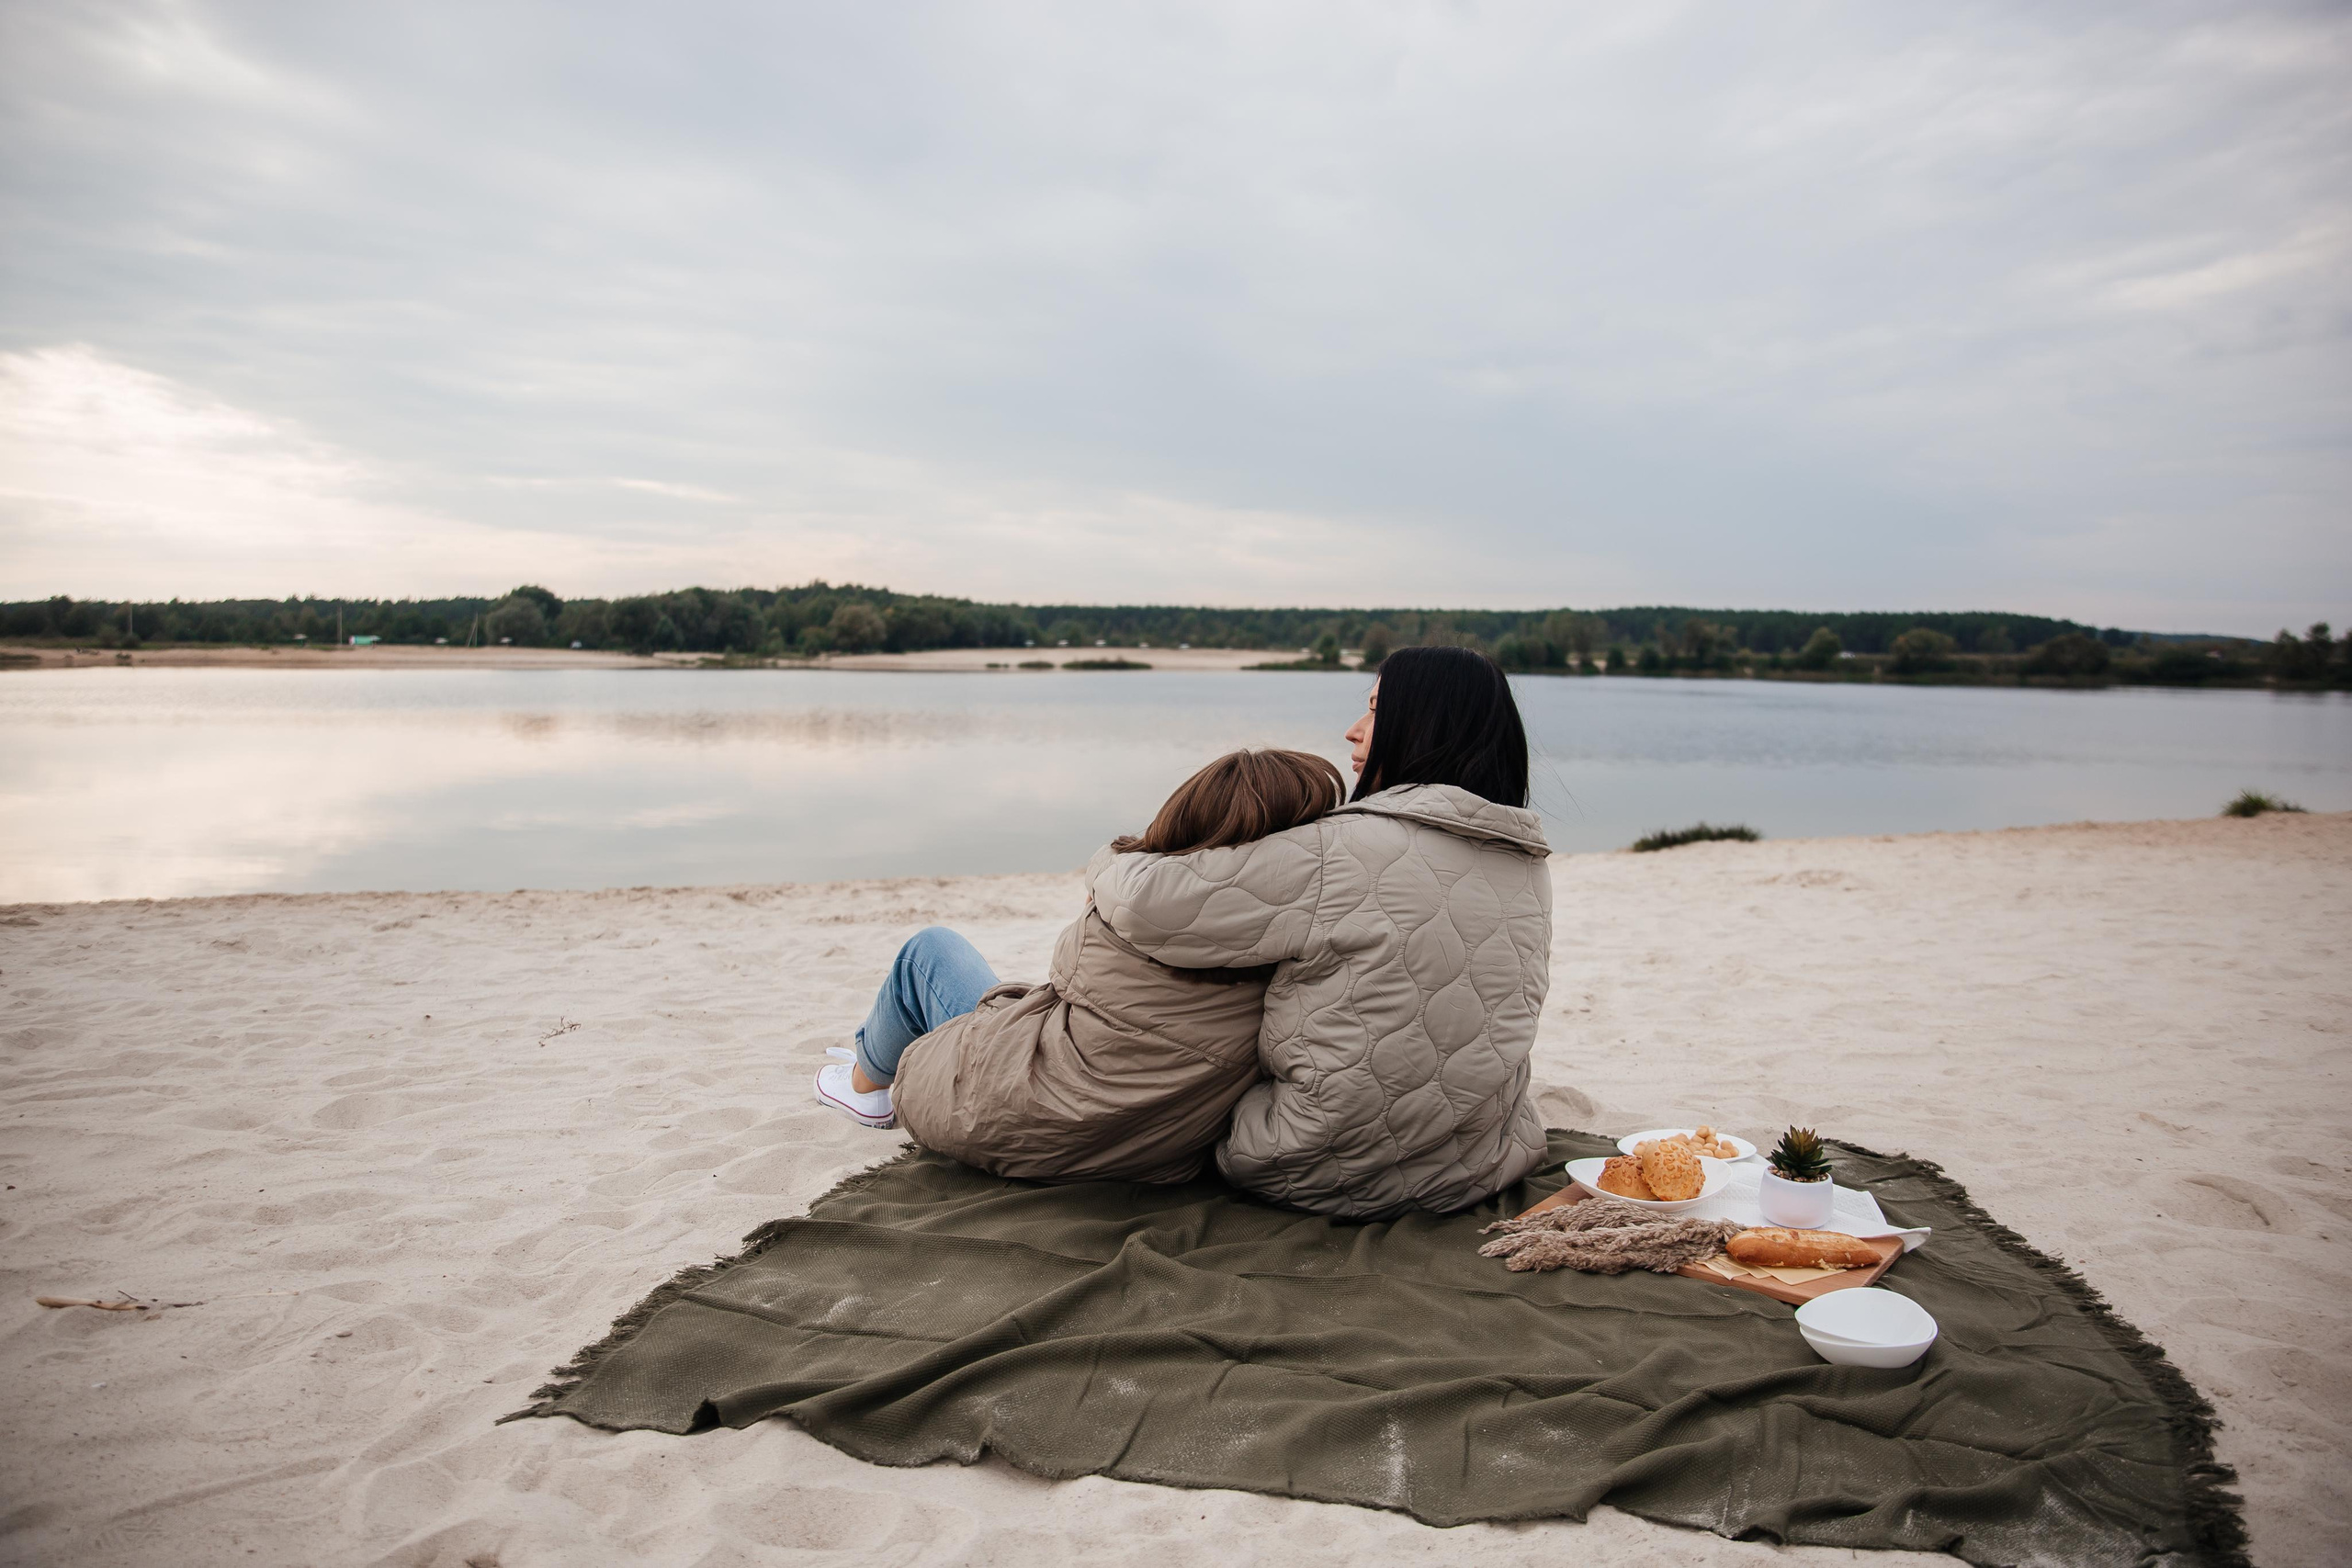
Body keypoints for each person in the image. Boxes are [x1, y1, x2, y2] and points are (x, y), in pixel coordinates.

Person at [1087, 645, 1552, 1219]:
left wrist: (1114, 854)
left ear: (1425, 724)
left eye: (1377, 709)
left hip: (1317, 1167)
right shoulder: (1527, 864)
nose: (1353, 732)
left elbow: (1143, 905)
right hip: (1483, 1161)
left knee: (939, 956)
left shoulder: (1345, 851)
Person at [814, 749, 1348, 1184]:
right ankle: (875, 1056)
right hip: (1152, 1147)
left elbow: (1068, 986)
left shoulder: (1136, 906)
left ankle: (866, 1084)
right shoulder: (1310, 936)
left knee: (929, 952)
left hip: (1034, 1123)